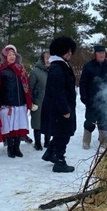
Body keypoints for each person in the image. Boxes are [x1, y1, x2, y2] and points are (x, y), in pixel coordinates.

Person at [41, 36, 78, 173]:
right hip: (60, 109)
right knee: (63, 134)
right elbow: (57, 91)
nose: (69, 53)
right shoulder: (58, 67)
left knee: (61, 133)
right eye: (66, 51)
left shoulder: (61, 65)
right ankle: (59, 161)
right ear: (59, 51)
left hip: (62, 107)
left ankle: (50, 153)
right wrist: (64, 109)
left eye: (70, 51)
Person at [0, 44, 32, 158]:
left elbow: (26, 87)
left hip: (20, 103)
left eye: (13, 54)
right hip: (7, 104)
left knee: (18, 127)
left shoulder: (21, 69)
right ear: (4, 56)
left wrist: (27, 101)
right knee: (10, 128)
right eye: (9, 55)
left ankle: (17, 147)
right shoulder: (1, 71)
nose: (12, 57)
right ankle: (10, 148)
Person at [79, 45, 107, 149]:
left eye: (103, 53)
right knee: (90, 120)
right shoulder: (88, 66)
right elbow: (83, 82)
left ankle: (104, 140)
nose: (101, 55)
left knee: (104, 120)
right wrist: (84, 96)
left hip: (105, 99)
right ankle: (86, 141)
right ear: (95, 54)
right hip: (91, 99)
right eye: (99, 53)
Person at [29, 51, 51, 150]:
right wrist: (31, 101)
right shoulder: (35, 71)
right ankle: (37, 143)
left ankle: (47, 142)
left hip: (50, 101)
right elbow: (30, 88)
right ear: (43, 59)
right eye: (47, 58)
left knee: (49, 122)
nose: (49, 60)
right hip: (38, 101)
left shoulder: (53, 70)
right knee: (37, 123)